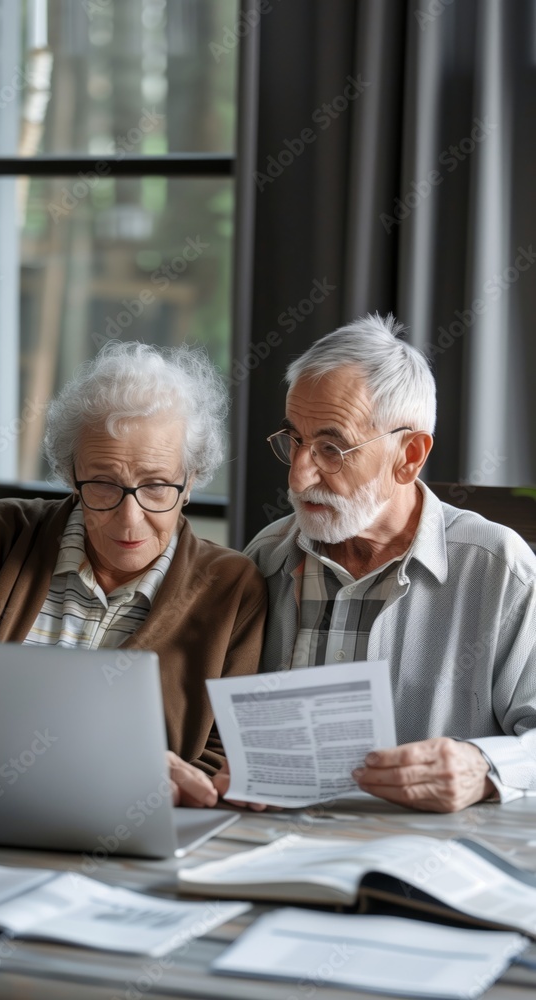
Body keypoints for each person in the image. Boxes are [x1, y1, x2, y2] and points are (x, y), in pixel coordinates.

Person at [0, 342, 266, 808]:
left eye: (157, 486)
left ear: (190, 483)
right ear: (70, 474)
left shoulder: (232, 587)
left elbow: (226, 764)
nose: (130, 518)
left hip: (130, 836)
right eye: (103, 484)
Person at [241, 313, 536, 813]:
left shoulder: (498, 569)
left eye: (332, 448)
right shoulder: (266, 558)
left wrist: (484, 768)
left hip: (427, 866)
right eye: (294, 439)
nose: (297, 475)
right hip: (274, 846)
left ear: (409, 455)